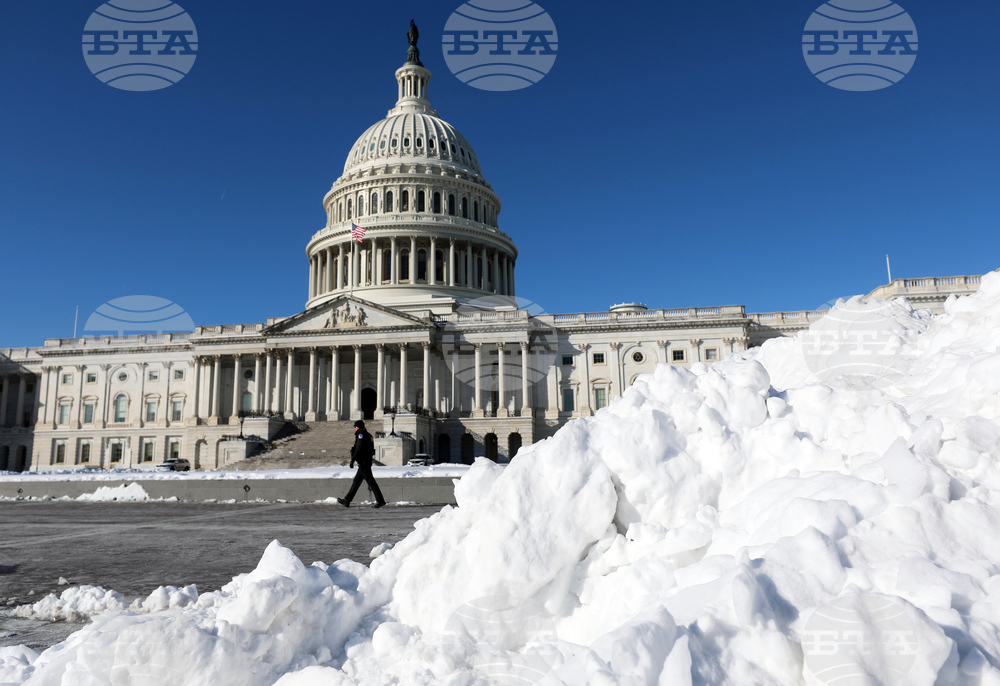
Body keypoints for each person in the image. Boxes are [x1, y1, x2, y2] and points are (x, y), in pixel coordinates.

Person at [338, 420, 386, 508]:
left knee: (371, 482)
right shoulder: (369, 435)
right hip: (366, 461)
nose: (354, 429)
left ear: (358, 427)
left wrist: (353, 460)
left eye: (355, 427)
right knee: (356, 481)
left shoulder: (361, 435)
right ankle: (347, 500)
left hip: (363, 462)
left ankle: (380, 501)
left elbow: (358, 448)